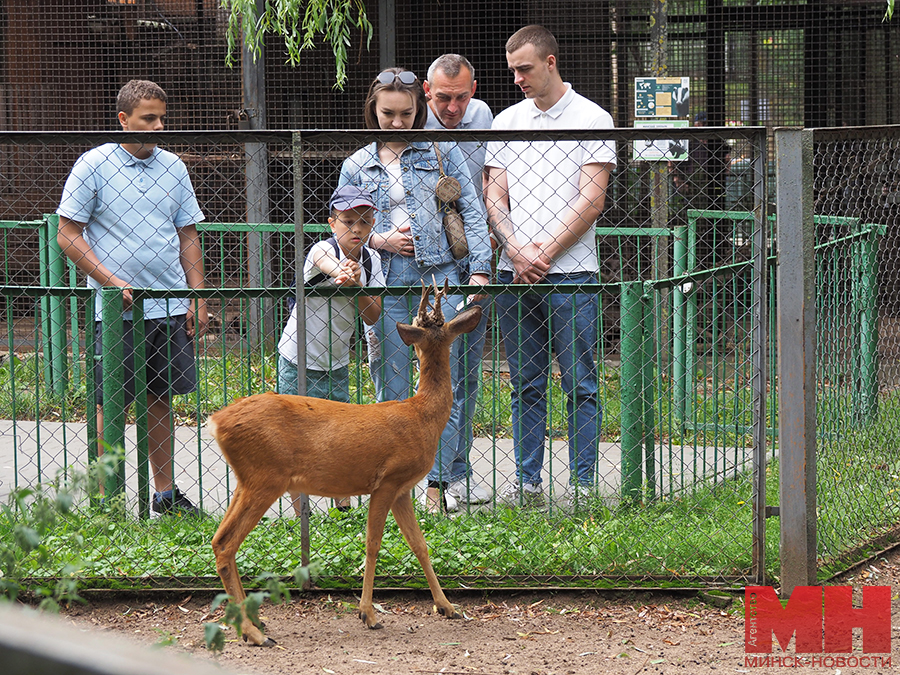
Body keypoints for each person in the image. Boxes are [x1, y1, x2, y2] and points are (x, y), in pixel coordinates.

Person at [338, 67, 492, 513]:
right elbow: (342, 228)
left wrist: (480, 272)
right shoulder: (357, 163)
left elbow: (474, 213)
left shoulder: (442, 151)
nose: (398, 122)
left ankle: (441, 485)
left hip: (439, 281)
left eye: (407, 113)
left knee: (449, 384)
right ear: (374, 110)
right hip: (385, 282)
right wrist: (379, 239)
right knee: (393, 384)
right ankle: (397, 481)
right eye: (388, 113)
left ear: (418, 110)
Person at [56, 80, 207, 516]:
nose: (159, 126)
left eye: (162, 118)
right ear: (123, 119)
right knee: (111, 399)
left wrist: (196, 297)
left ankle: (164, 493)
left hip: (169, 303)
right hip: (115, 307)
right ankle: (106, 497)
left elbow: (188, 234)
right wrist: (109, 281)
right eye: (148, 119)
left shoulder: (174, 166)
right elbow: (68, 233)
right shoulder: (93, 164)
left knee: (161, 399)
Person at [484, 26, 617, 506]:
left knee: (580, 382)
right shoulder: (505, 121)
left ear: (551, 62)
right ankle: (527, 481)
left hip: (574, 273)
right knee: (525, 383)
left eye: (525, 68)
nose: (517, 78)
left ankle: (582, 485)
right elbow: (494, 194)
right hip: (514, 273)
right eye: (513, 70)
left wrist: (545, 253)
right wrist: (517, 251)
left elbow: (592, 199)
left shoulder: (592, 117)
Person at [277, 185, 384, 514]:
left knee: (341, 440)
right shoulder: (321, 250)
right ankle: (301, 515)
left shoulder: (371, 258)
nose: (357, 229)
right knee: (294, 440)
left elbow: (373, 313)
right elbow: (324, 262)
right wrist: (342, 272)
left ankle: (343, 508)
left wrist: (357, 286)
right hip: (298, 360)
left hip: (337, 363)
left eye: (365, 222)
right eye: (348, 221)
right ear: (332, 223)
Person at [424, 54, 494, 507]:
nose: (453, 109)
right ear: (427, 93)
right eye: (444, 99)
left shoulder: (483, 116)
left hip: (471, 257)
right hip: (422, 261)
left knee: (464, 373)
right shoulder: (410, 122)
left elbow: (486, 183)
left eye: (461, 98)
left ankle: (456, 474)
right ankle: (425, 475)